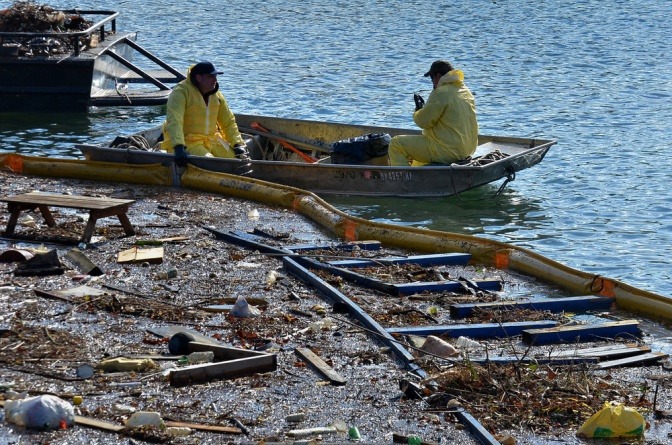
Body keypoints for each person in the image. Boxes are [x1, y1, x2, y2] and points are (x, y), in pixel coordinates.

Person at [388, 60, 478, 166]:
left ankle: (403, 180)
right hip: (468, 150)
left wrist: (417, 111)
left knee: (396, 144)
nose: (433, 83)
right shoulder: (465, 90)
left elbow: (423, 122)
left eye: (432, 79)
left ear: (438, 76)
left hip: (448, 151)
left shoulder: (441, 92)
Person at [160, 61, 249, 161]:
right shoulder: (180, 92)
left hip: (212, 140)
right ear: (198, 78)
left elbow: (228, 122)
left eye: (215, 76)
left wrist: (238, 144)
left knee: (238, 161)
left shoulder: (217, 95)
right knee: (209, 162)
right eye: (210, 77)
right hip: (188, 141)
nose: (215, 80)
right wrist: (178, 146)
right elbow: (175, 121)